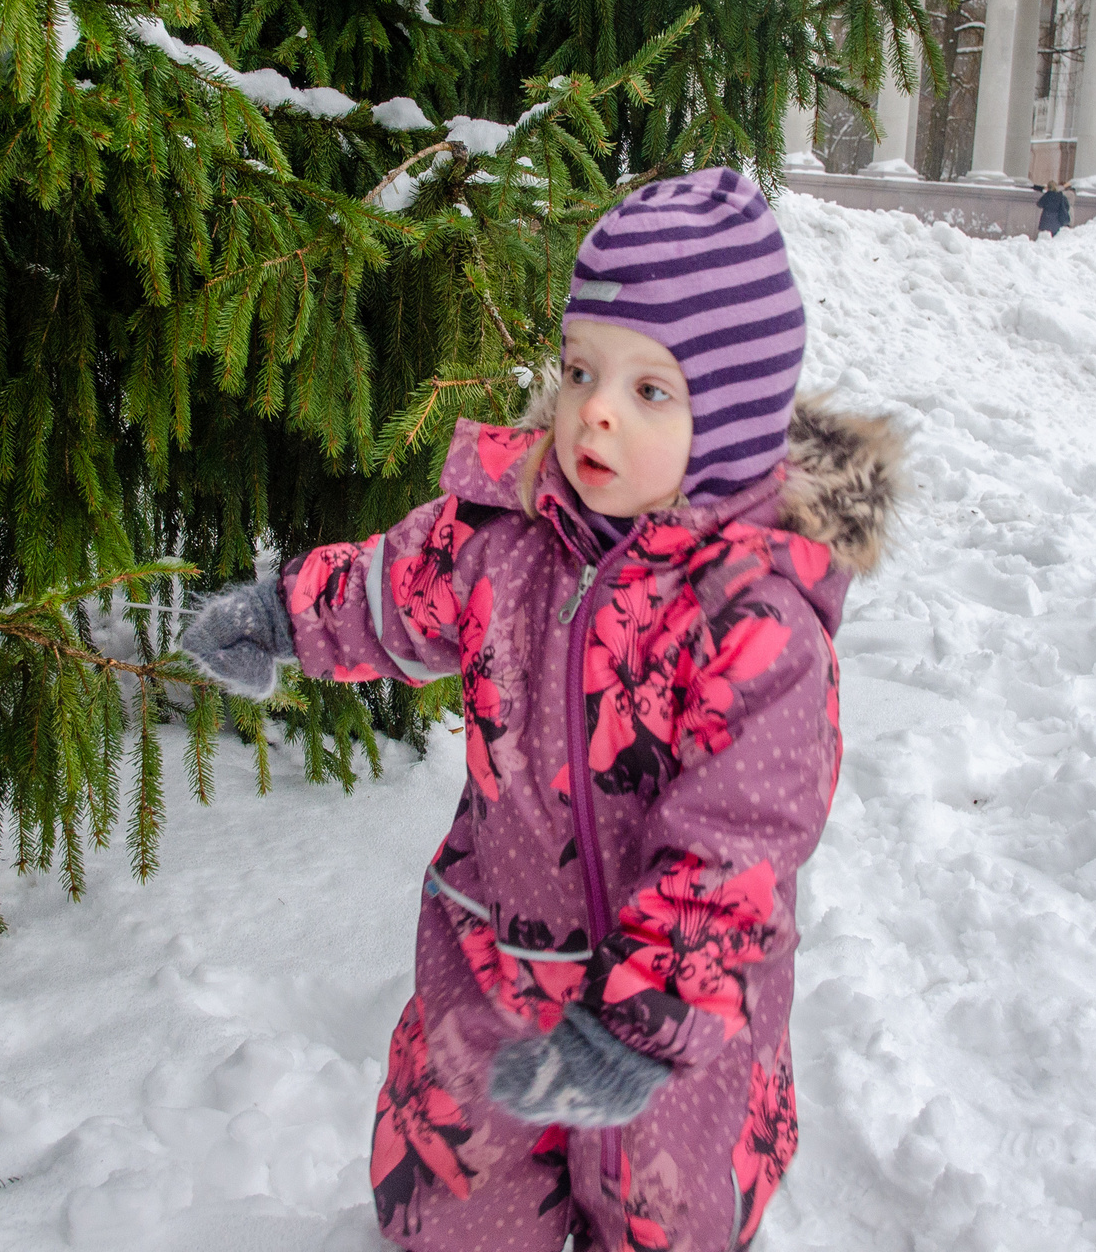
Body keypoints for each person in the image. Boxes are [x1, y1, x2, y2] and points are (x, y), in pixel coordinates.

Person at [183, 168, 902, 1251]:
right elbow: (395, 587)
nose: (594, 410)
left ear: (732, 421)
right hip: (491, 961)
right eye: (579, 370)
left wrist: (645, 1025)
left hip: (677, 1028)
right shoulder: (506, 532)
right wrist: (287, 617)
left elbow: (737, 851)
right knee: (454, 1206)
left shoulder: (755, 623)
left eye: (650, 390)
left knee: (667, 1215)